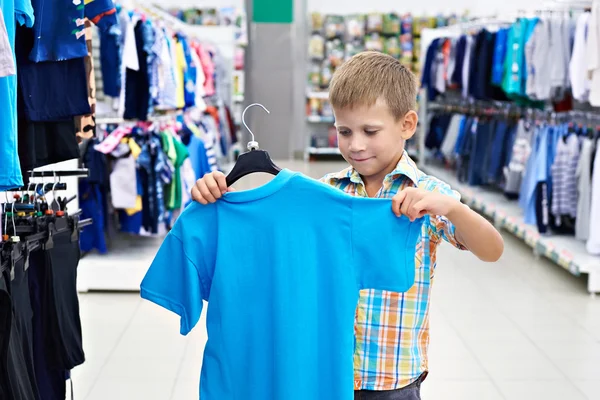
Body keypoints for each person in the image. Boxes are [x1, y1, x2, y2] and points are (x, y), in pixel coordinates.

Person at [190, 51, 504, 399]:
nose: (355, 144)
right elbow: (269, 236)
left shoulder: (428, 195)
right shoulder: (324, 193)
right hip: (321, 372)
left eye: (370, 131)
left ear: (407, 124)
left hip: (392, 380)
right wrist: (219, 196)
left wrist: (451, 207)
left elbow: (492, 250)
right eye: (344, 131)